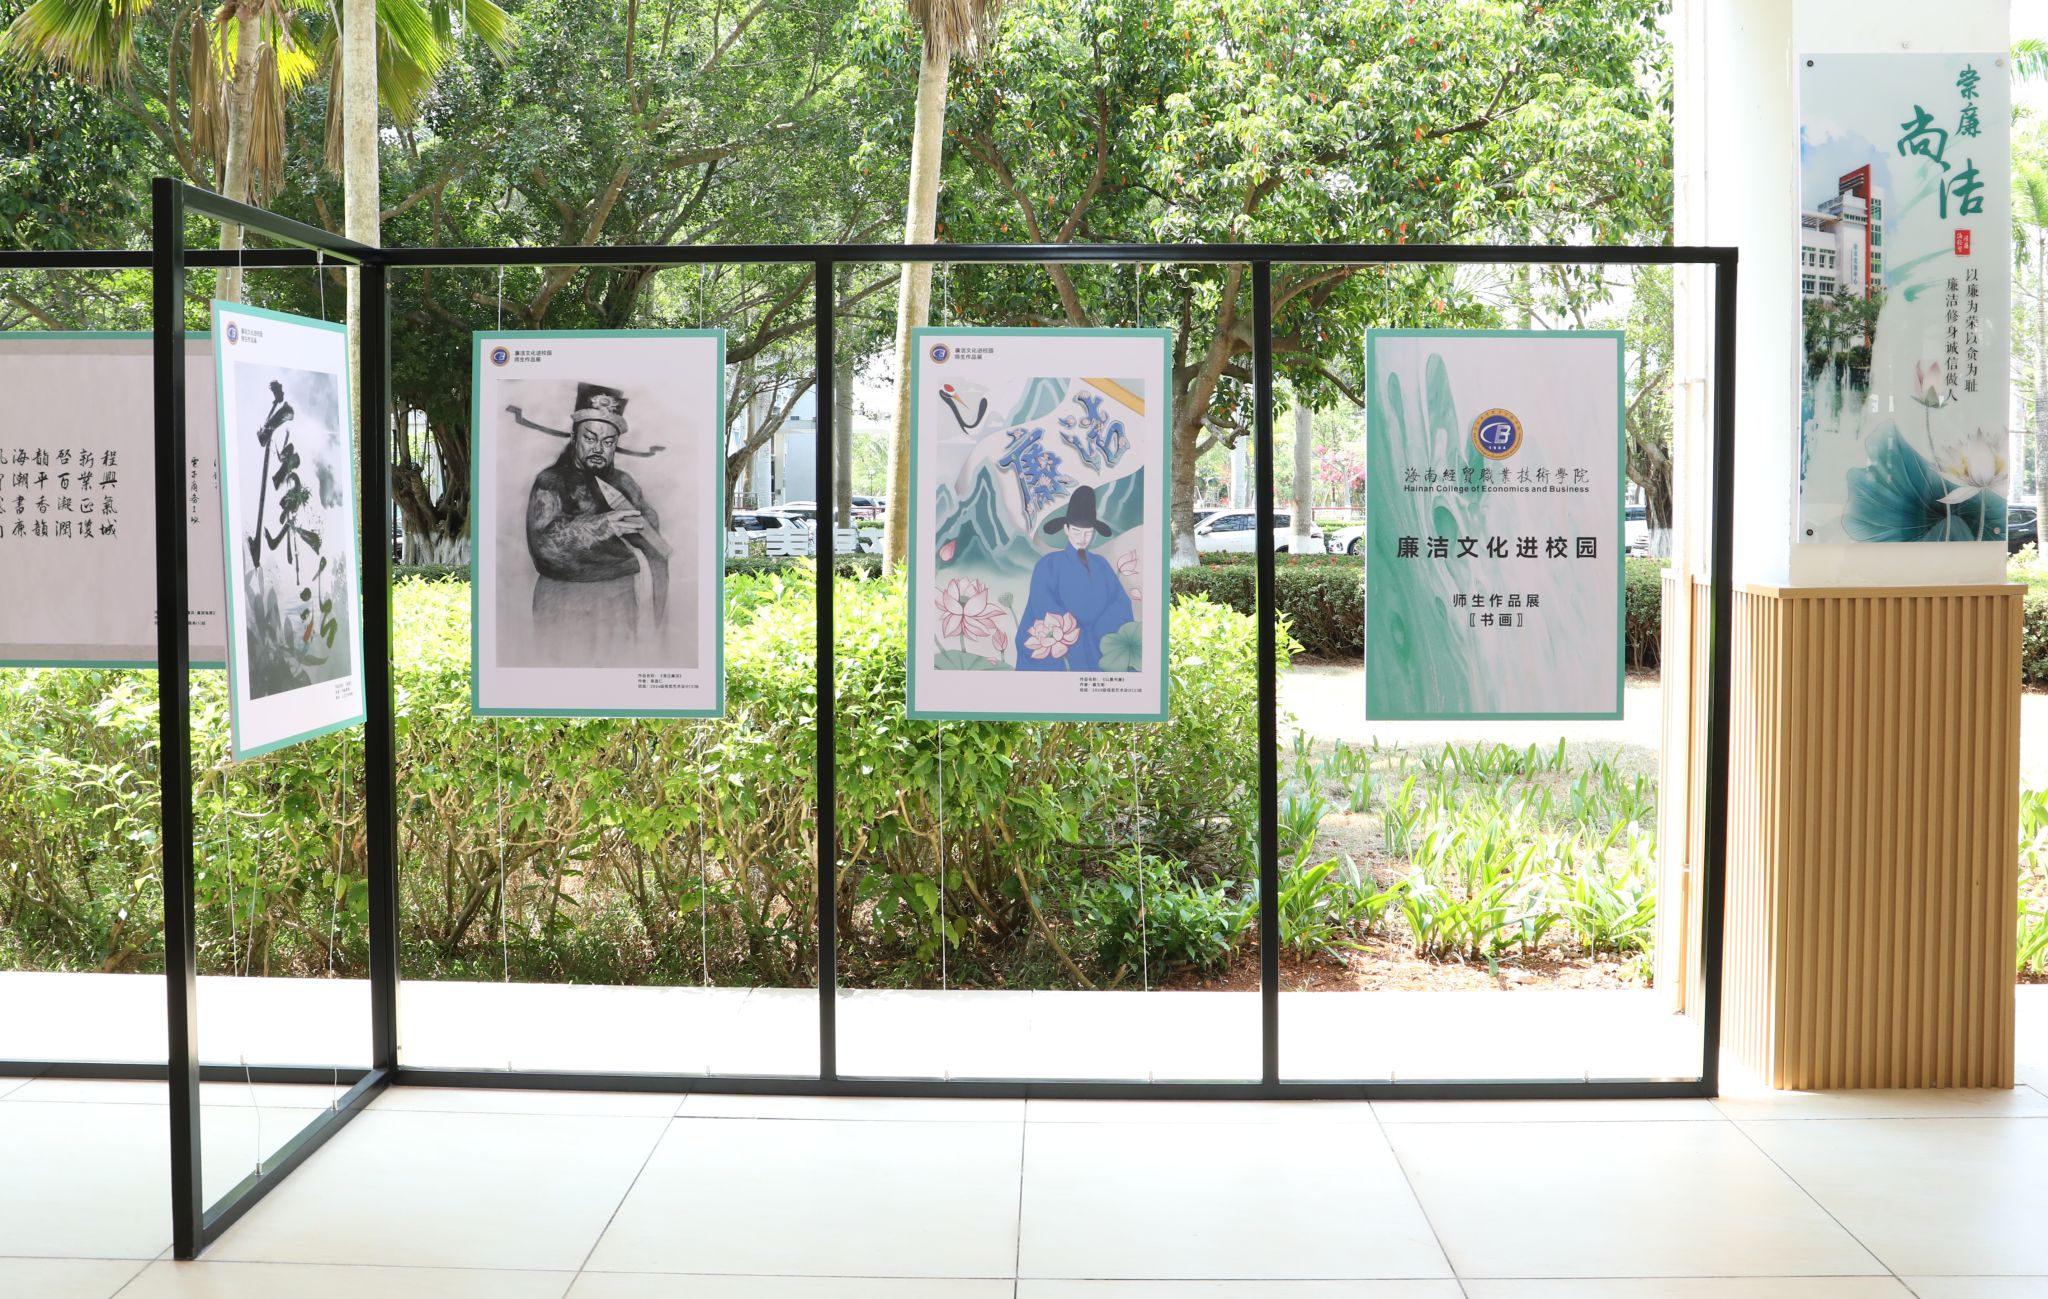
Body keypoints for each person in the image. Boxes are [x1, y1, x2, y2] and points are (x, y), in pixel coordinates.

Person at [524, 384, 670, 663]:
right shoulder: (550, 481)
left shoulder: (624, 483)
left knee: (617, 668)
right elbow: (543, 544)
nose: (598, 448)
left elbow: (652, 540)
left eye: (608, 442)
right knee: (560, 670)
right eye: (590, 438)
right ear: (574, 437)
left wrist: (646, 525)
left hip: (619, 596)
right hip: (562, 596)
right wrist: (603, 525)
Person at [1015, 484, 1135, 672]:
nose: (1082, 538)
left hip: (1098, 638)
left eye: (1088, 532)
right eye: (1077, 531)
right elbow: (1042, 603)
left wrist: (1099, 628)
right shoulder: (1048, 564)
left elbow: (1119, 601)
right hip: (1061, 638)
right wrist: (1074, 629)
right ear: (1066, 529)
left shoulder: (1101, 564)